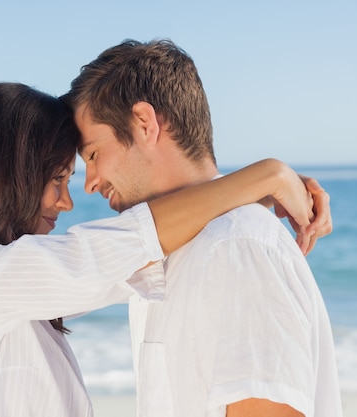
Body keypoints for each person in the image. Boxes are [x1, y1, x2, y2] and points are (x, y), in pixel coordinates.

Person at [0, 82, 328, 417]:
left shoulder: (7, 295)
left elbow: (130, 257)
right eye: (57, 178)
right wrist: (264, 176)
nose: (70, 200)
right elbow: (99, 256)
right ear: (4, 175)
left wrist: (258, 196)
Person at [62, 39, 340, 417]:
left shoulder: (235, 247)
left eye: (93, 154)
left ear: (144, 123)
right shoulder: (169, 254)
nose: (90, 182)